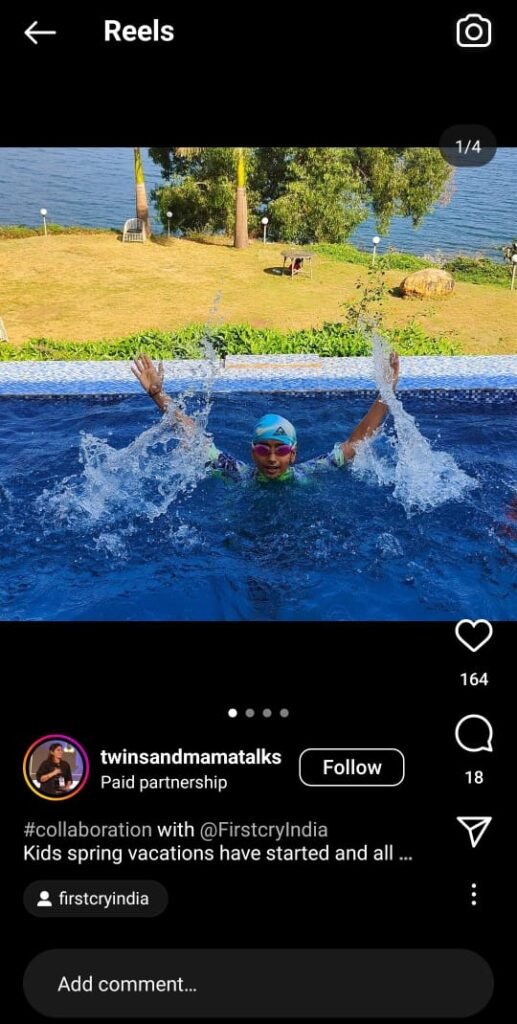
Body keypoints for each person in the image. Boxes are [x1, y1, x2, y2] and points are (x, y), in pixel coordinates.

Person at [131, 351, 400, 484]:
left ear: (293, 454)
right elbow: (195, 436)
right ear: (252, 452)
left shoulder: (309, 472)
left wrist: (385, 393)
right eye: (263, 449)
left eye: (281, 450)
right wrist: (158, 395)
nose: (272, 458)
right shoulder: (238, 473)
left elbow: (356, 442)